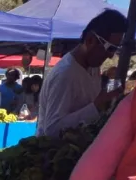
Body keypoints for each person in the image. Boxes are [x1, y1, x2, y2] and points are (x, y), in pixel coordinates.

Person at [37, 9, 127, 137]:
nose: (111, 56)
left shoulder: (93, 68)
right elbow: (52, 130)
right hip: (54, 154)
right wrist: (96, 107)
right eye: (110, 48)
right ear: (90, 40)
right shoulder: (65, 74)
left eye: (116, 49)